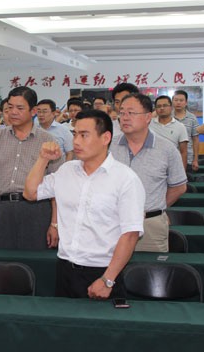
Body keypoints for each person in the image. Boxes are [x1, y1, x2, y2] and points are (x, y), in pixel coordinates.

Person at [23, 110, 145, 299]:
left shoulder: (125, 179)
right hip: (65, 268)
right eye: (75, 134)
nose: (76, 142)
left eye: (84, 135)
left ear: (105, 138)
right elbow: (30, 193)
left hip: (103, 271)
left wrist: (108, 280)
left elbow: (130, 235)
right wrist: (43, 159)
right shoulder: (66, 171)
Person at [0, 86, 64, 250]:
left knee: (35, 259)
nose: (13, 112)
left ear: (33, 111)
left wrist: (55, 223)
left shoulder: (47, 140)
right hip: (2, 208)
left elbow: (58, 188)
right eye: (10, 107)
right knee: (1, 261)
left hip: (37, 210)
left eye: (20, 108)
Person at [110, 93, 187, 252]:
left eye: (131, 113)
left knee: (149, 266)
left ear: (147, 117)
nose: (124, 117)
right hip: (112, 223)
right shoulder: (109, 147)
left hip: (150, 226)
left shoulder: (166, 149)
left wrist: (154, 206)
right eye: (122, 112)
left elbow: (179, 187)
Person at [150, 95, 189, 165]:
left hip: (172, 164)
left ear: (171, 107)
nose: (162, 108)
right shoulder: (148, 124)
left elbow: (183, 152)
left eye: (165, 105)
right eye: (158, 106)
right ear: (155, 109)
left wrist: (182, 170)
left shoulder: (180, 127)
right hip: (152, 163)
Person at [173, 90, 200, 172]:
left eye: (181, 100)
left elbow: (195, 139)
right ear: (172, 102)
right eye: (176, 100)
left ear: (186, 102)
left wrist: (195, 159)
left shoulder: (192, 118)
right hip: (170, 158)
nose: (178, 102)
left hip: (187, 159)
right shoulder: (167, 117)